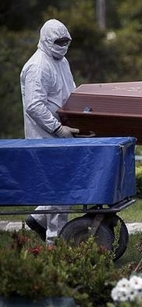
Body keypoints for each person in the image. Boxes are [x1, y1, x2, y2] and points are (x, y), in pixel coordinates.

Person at [20, 19, 79, 244]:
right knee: (59, 188)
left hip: (61, 134)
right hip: (44, 137)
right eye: (58, 41)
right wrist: (57, 127)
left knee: (67, 184)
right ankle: (55, 241)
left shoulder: (61, 61)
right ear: (46, 40)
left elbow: (68, 92)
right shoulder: (37, 66)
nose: (62, 45)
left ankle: (38, 218)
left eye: (66, 41)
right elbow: (34, 105)